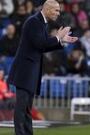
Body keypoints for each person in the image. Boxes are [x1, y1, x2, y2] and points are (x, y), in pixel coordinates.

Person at [7, 1, 78, 135]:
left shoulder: (40, 23)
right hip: (25, 71)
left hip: (29, 71)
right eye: (56, 10)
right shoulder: (34, 22)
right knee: (22, 107)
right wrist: (57, 37)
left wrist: (62, 41)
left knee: (27, 108)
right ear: (47, 9)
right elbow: (40, 44)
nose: (58, 13)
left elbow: (43, 46)